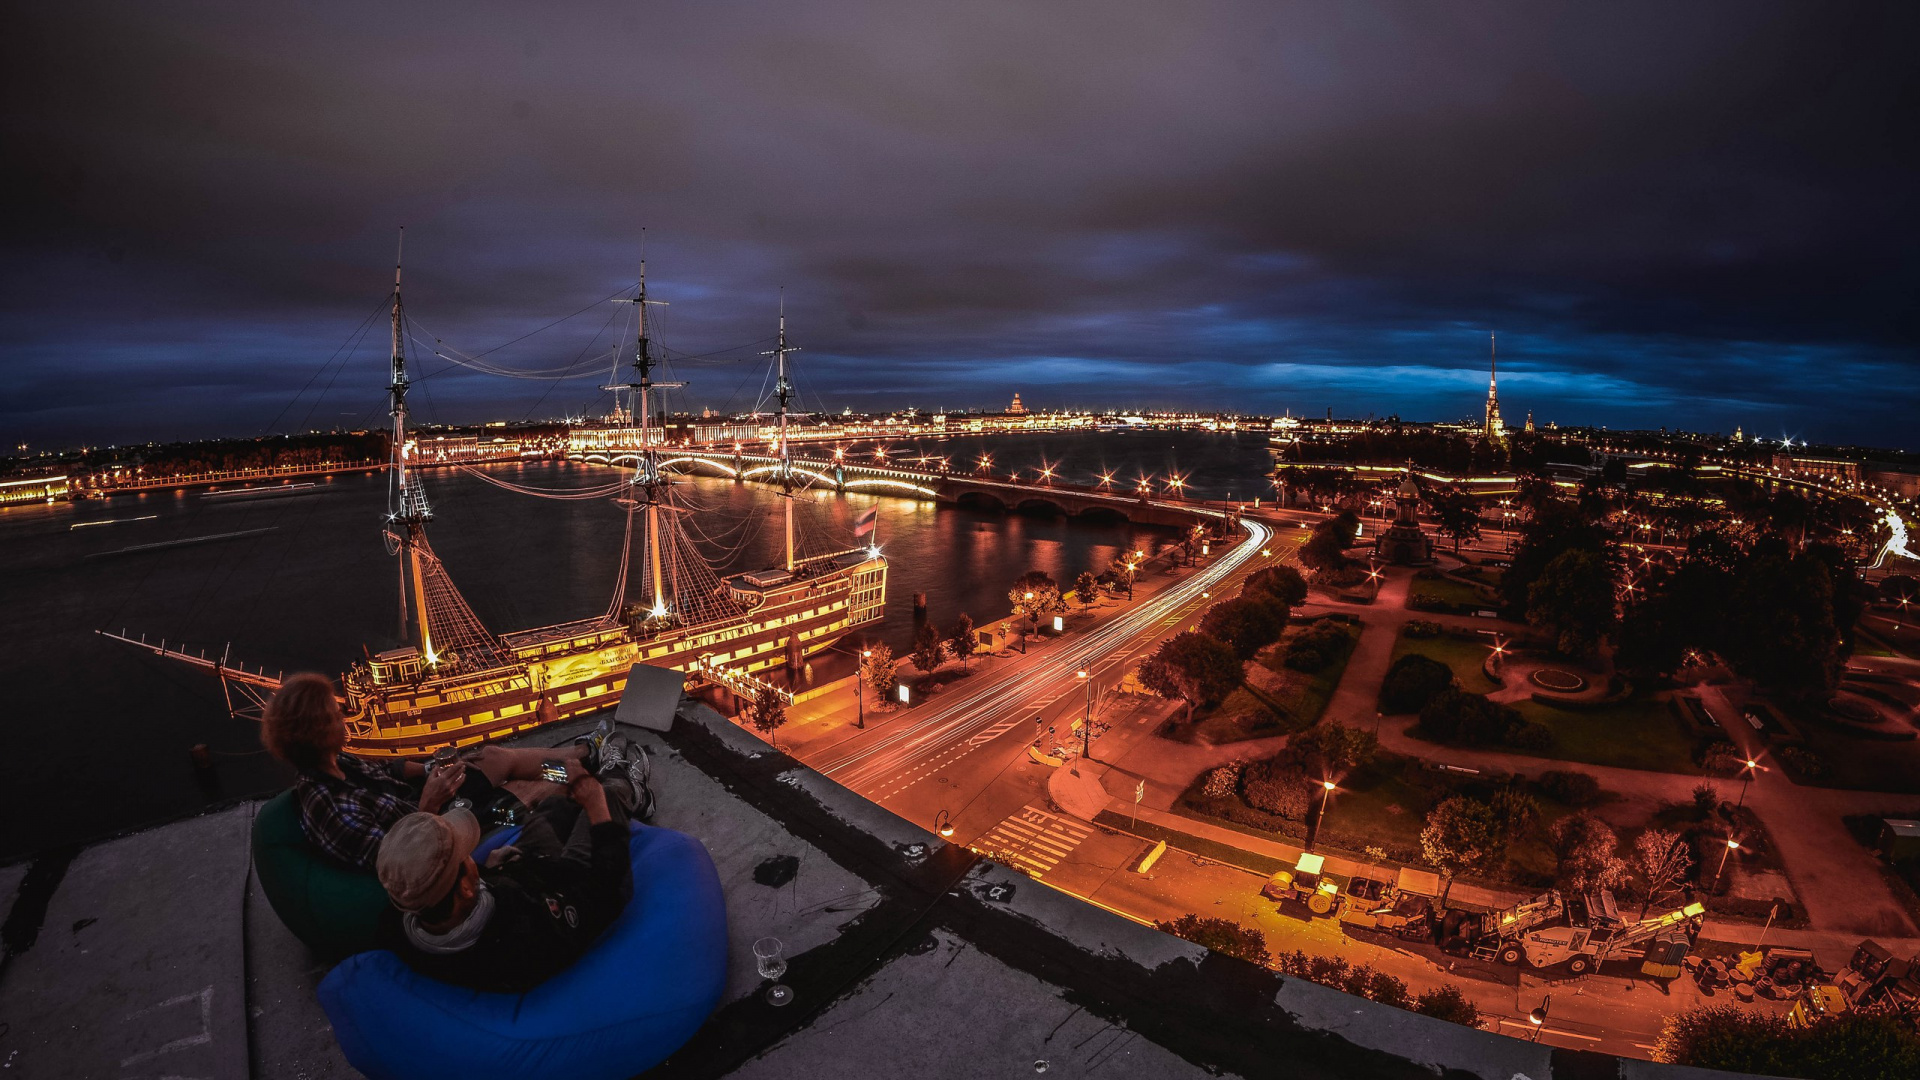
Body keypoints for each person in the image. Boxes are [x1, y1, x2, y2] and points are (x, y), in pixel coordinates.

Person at [260, 672, 632, 871]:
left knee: (493, 756)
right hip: (441, 829)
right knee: (531, 788)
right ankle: (594, 779)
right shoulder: (326, 806)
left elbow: (387, 767)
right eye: (334, 714)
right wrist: (430, 803)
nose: (343, 717)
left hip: (435, 802)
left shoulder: (337, 762)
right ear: (319, 730)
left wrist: (430, 769)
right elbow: (397, 861)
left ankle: (585, 753)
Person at [374, 763, 643, 993]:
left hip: (515, 874)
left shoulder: (403, 919)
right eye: (466, 856)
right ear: (466, 887)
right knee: (606, 793)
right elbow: (604, 891)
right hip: (560, 886)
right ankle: (626, 782)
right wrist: (595, 801)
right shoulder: (526, 933)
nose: (471, 856)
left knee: (556, 805)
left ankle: (577, 774)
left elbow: (444, 894)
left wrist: (487, 869)